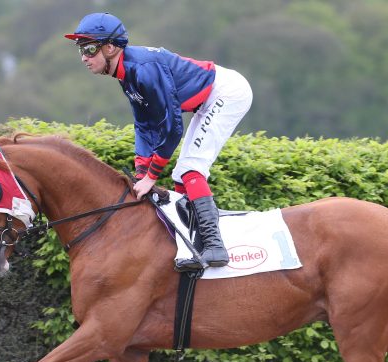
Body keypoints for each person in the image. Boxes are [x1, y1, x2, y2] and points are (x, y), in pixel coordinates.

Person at [65, 12, 253, 271]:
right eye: (80, 50)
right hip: (207, 98)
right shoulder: (125, 73)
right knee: (181, 176)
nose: (84, 57)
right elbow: (144, 124)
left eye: (88, 48)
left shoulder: (143, 69)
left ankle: (214, 247)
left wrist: (151, 176)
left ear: (109, 47)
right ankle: (197, 244)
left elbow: (172, 128)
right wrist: (141, 169)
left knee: (191, 169)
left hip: (228, 92)